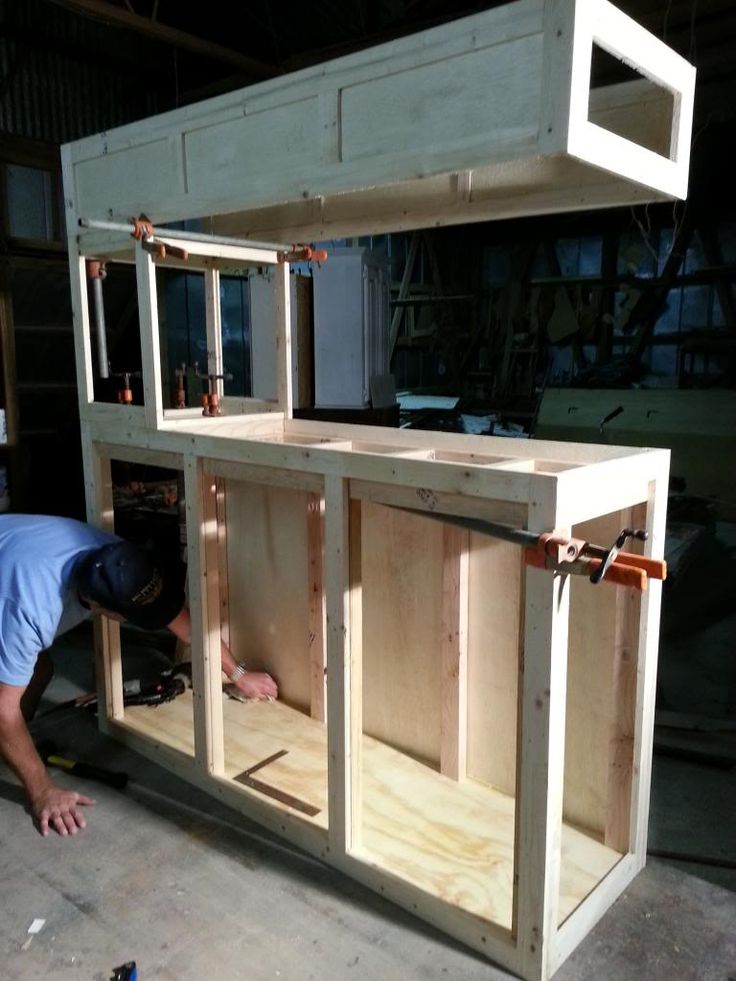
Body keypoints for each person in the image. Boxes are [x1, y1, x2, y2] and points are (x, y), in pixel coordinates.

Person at [0, 513, 277, 838]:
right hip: (13, 584)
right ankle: (16, 753)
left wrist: (238, 672)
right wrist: (43, 791)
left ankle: (14, 746)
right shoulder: (28, 612)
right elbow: (4, 711)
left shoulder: (119, 562)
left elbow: (186, 626)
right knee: (21, 686)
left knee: (36, 671)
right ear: (101, 608)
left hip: (15, 556)